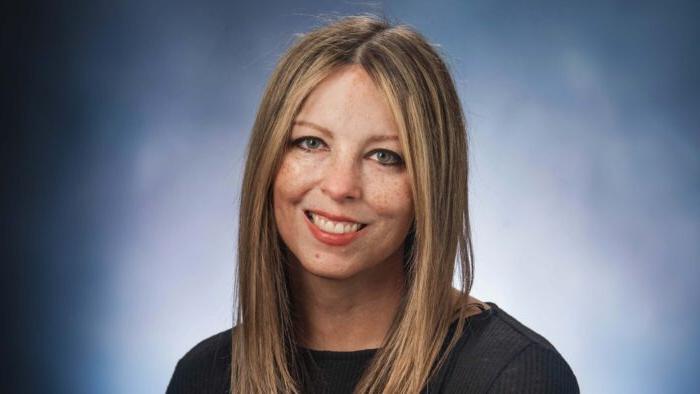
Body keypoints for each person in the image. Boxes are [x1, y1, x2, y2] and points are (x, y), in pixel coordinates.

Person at [166, 15, 579, 394]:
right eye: (311, 143)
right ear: (269, 162)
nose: (340, 185)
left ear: (430, 188)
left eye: (384, 156)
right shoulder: (206, 376)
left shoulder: (516, 376)